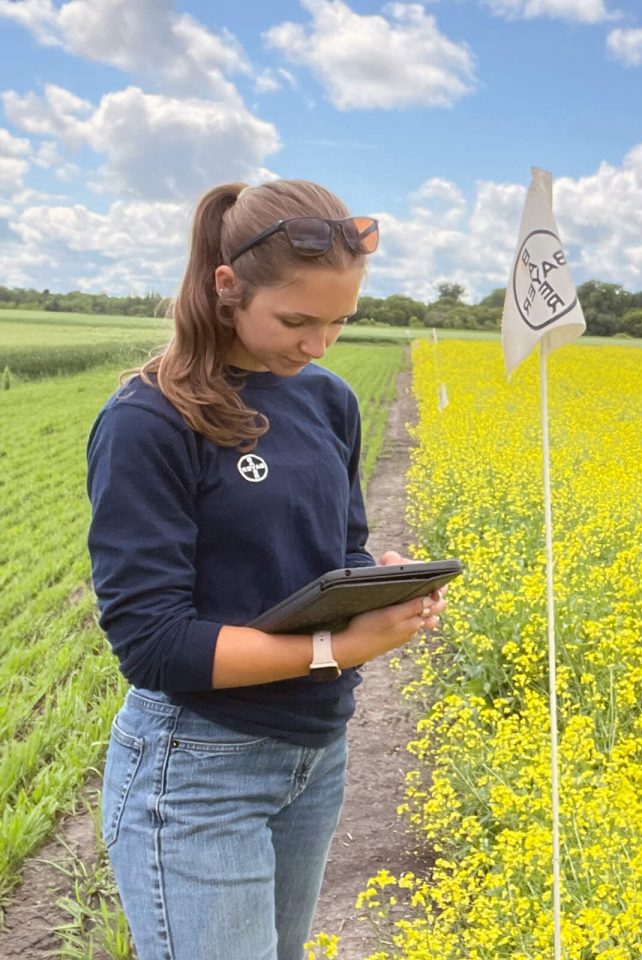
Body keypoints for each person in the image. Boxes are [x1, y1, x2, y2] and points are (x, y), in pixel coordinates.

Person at [85, 179, 448, 960]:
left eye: (340, 322)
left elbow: (339, 548)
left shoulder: (327, 400)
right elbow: (153, 645)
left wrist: (376, 580)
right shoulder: (149, 419)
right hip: (199, 769)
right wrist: (342, 650)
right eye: (297, 320)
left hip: (315, 756)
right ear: (227, 287)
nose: (318, 344)